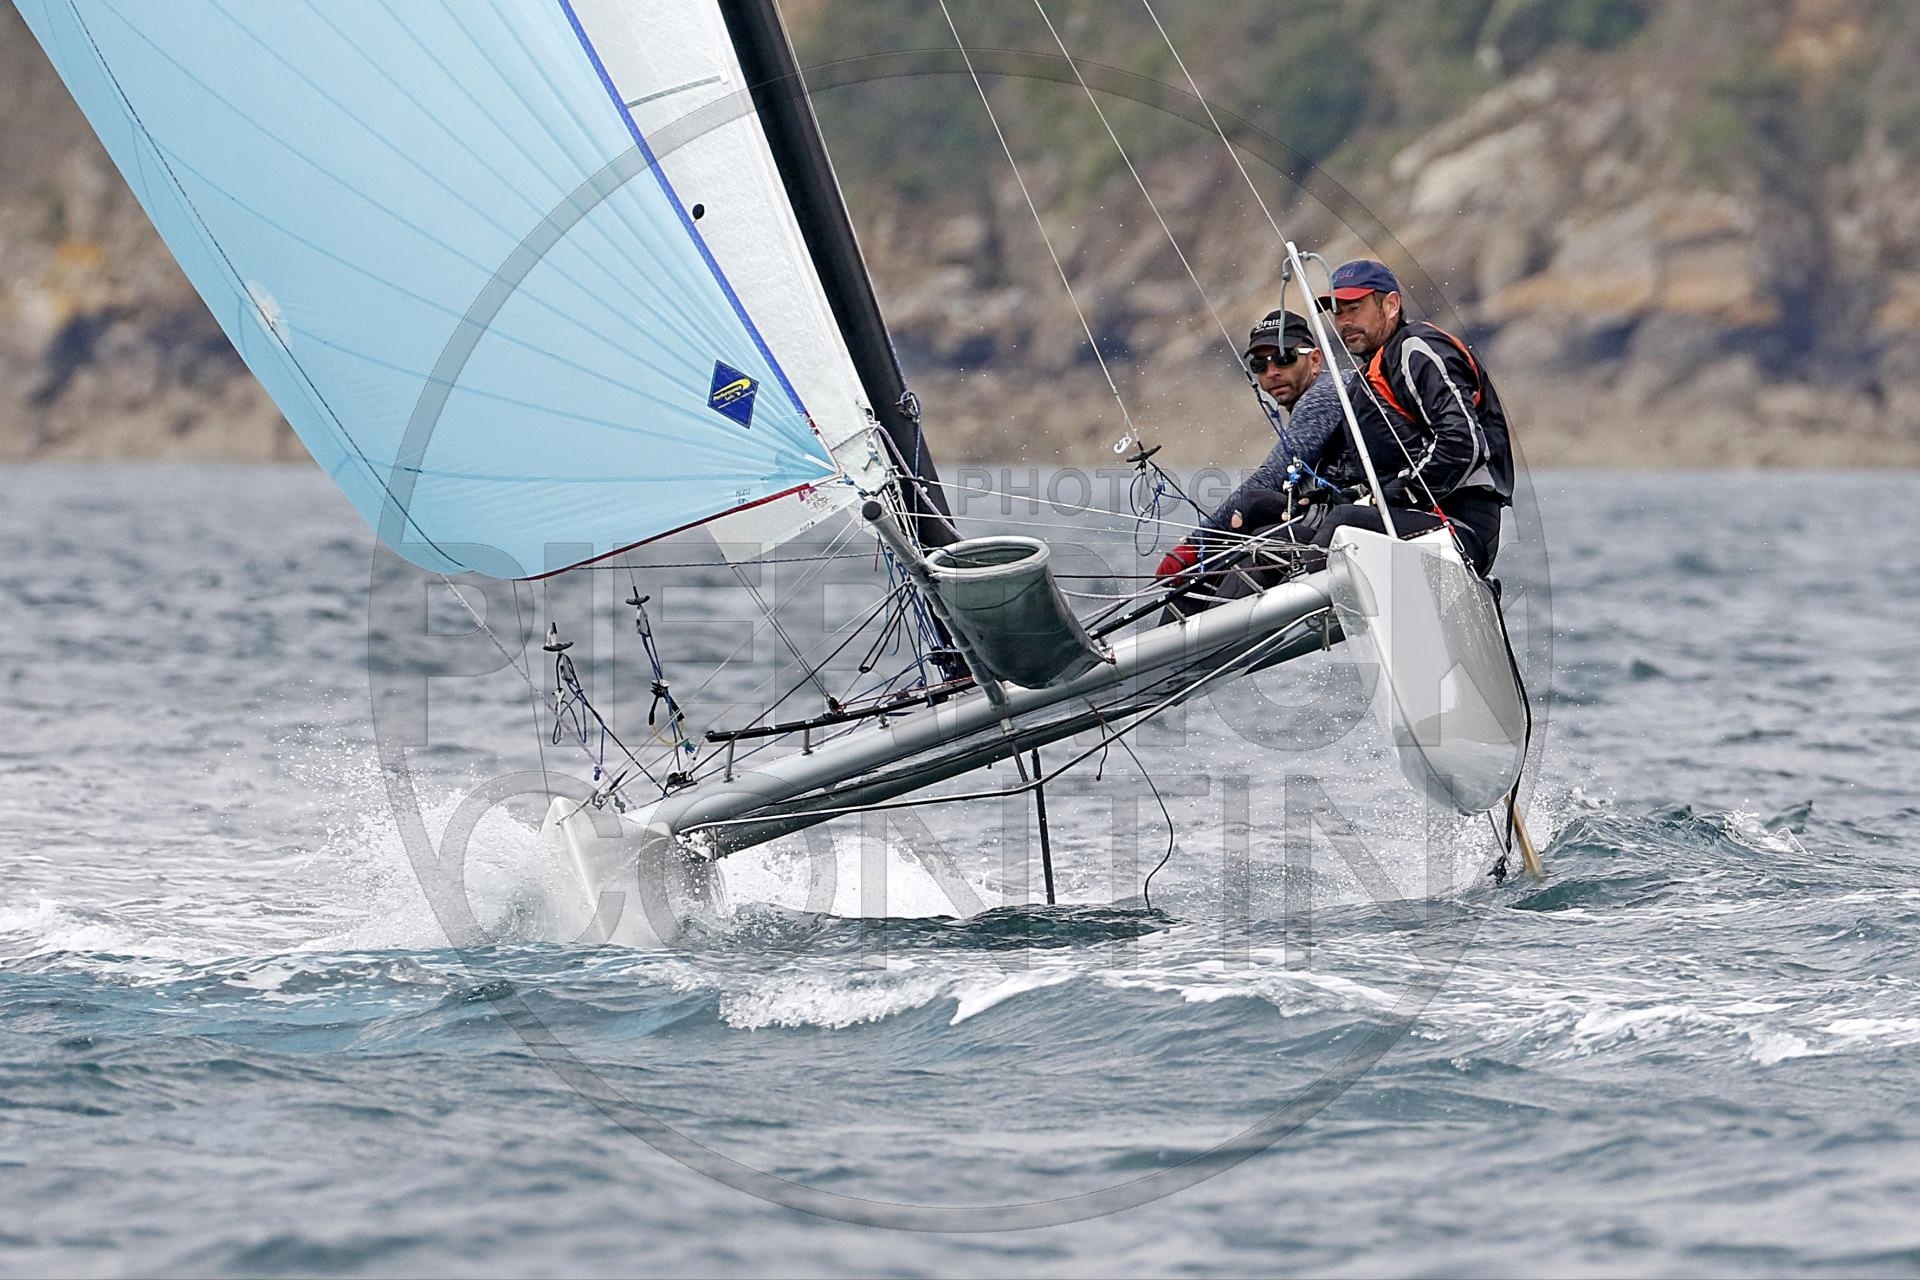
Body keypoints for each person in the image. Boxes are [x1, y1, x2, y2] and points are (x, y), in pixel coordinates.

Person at [1302, 259, 1514, 576]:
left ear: (1390, 305)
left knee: (1342, 524)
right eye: (1338, 312)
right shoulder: (1370, 374)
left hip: (1462, 526)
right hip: (1415, 520)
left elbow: (1461, 443)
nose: (1344, 321)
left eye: (1354, 308)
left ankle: (1304, 590)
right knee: (1290, 528)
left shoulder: (1417, 349)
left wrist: (1401, 492)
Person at [1154, 310, 1345, 582]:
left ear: (1314, 359)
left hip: (1364, 523)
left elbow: (1271, 476)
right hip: (1335, 517)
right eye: (1259, 364)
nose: (1272, 372)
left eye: (1284, 358)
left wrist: (1195, 545)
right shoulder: (1322, 392)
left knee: (1252, 510)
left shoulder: (1324, 394)